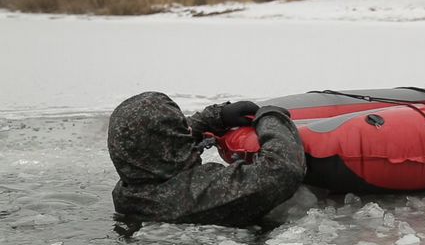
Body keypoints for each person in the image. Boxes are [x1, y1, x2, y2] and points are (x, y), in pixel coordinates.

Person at [107, 91, 306, 227]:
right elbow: (283, 170)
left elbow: (158, 143)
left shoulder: (132, 186)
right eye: (182, 128)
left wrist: (216, 117)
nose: (189, 130)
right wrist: (272, 118)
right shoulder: (195, 194)